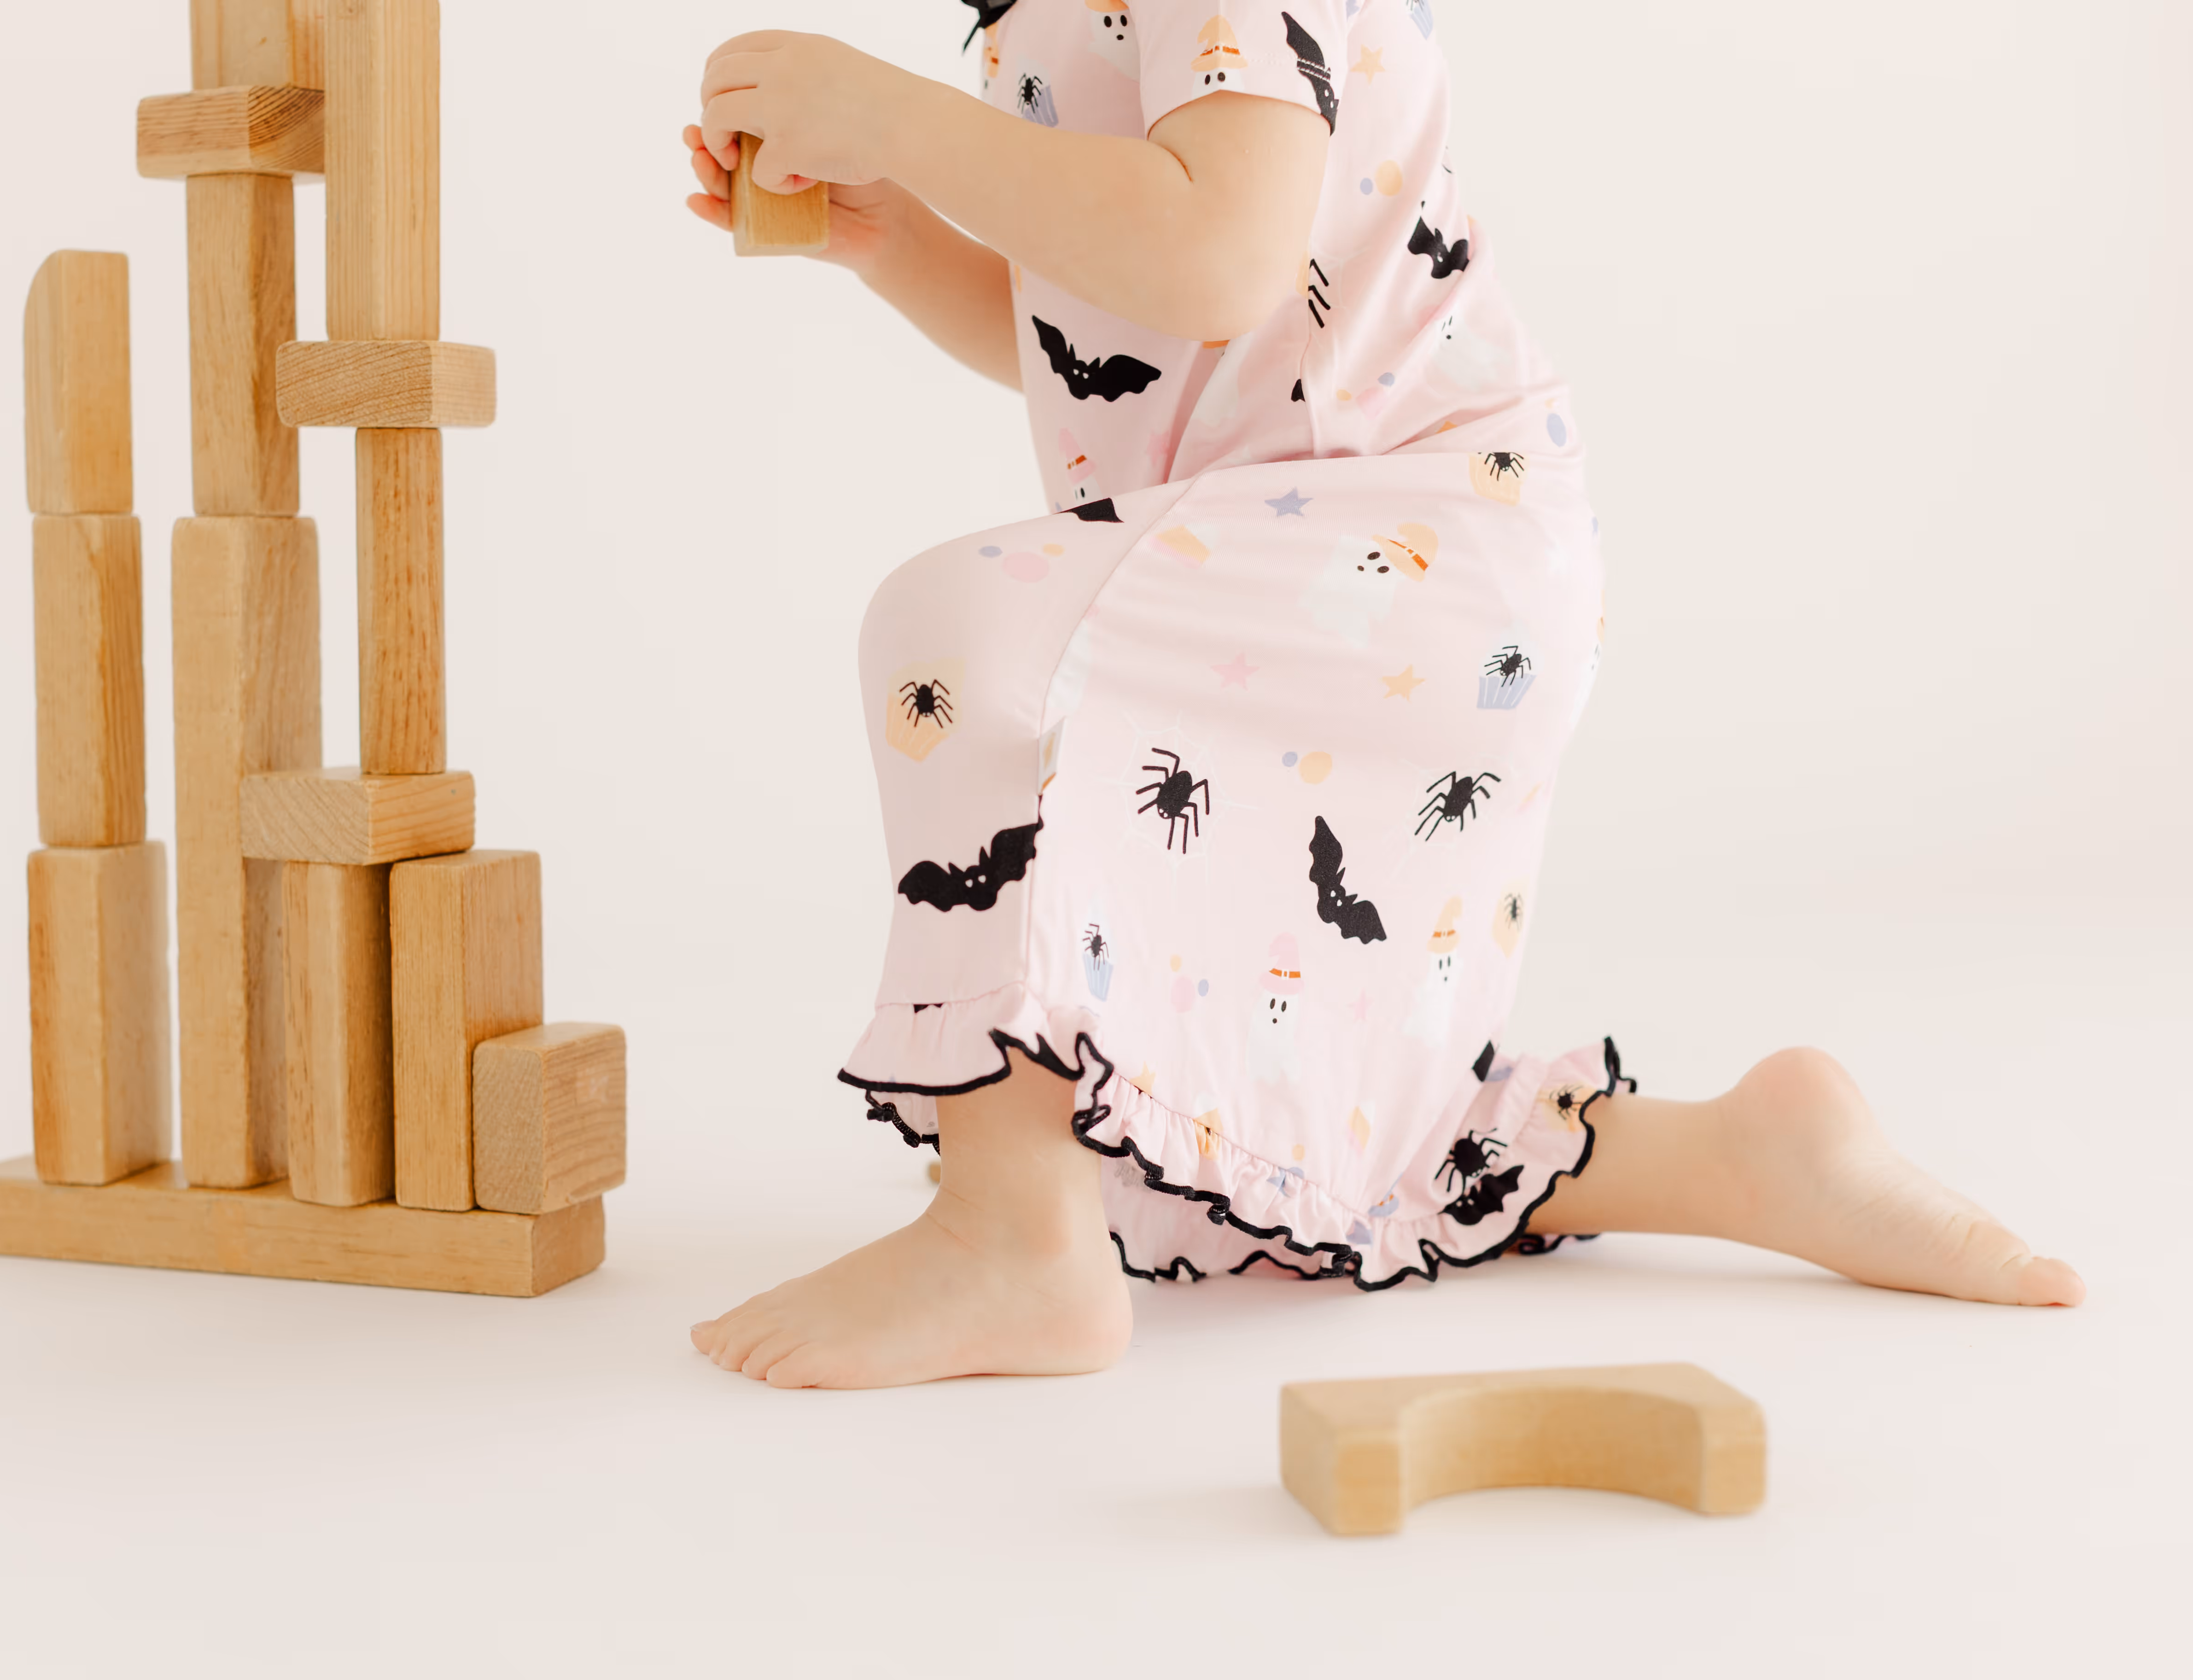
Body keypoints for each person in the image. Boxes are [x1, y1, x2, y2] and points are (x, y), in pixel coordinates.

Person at [679, 3, 2083, 1391]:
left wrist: (900, 121)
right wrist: (893, 236)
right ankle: (1741, 1154)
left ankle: (1007, 1239)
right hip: (1364, 551)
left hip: (1409, 540)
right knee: (1239, 1128)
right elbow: (1120, 329)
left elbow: (1214, 256)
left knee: (958, 633)